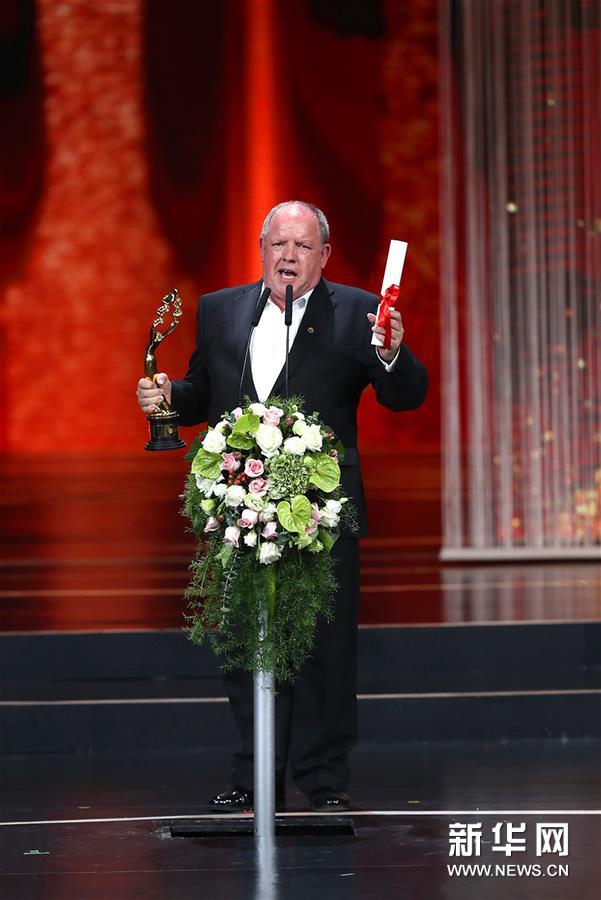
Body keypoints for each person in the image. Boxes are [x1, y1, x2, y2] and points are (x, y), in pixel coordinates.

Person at [137, 200, 428, 812]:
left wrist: (391, 353)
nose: (288, 257)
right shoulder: (220, 310)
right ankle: (255, 778)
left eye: (302, 246)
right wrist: (166, 397)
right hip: (239, 507)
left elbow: (405, 396)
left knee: (324, 651)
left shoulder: (359, 313)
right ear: (261, 249)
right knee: (246, 645)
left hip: (321, 513)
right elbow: (201, 392)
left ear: (324, 255)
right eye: (278, 244)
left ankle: (323, 782)